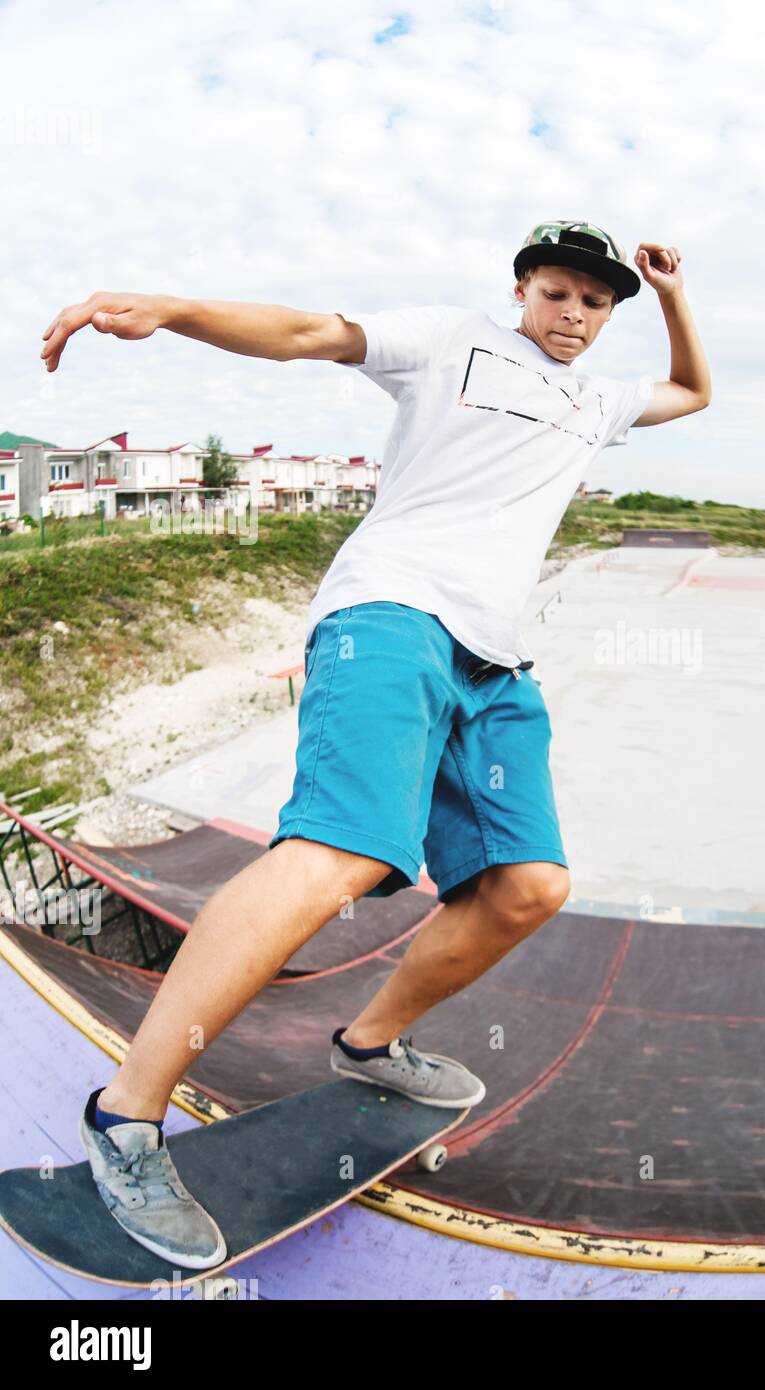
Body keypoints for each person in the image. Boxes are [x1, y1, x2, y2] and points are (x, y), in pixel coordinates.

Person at [38, 219, 711, 1269]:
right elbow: (307, 331)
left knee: (528, 886)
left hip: (495, 661)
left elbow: (694, 393)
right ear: (523, 288)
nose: (571, 314)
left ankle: (367, 1042)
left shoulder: (599, 398)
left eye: (593, 302)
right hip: (390, 615)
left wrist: (671, 294)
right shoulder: (453, 342)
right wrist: (173, 309)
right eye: (556, 292)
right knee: (341, 853)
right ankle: (124, 1118)